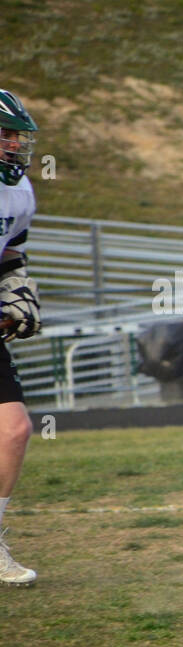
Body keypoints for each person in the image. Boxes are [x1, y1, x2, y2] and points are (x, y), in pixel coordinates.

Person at [0, 89, 41, 586]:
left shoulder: (20, 190)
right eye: (5, 134)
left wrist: (16, 288)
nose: (13, 144)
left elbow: (10, 250)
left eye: (17, 135)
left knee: (14, 429)